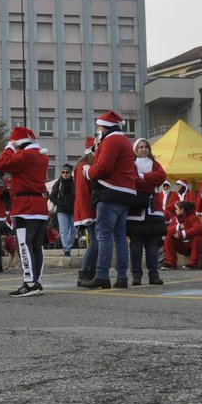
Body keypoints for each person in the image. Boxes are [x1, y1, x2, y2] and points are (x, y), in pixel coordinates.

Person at [81, 110, 137, 289]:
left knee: (104, 235)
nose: (98, 131)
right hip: (125, 193)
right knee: (120, 236)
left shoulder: (111, 140)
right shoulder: (125, 141)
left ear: (105, 127)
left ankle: (102, 275)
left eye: (99, 128)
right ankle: (122, 277)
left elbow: (103, 168)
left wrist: (88, 171)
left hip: (110, 191)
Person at [0, 126, 51, 297]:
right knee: (36, 246)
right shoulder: (41, 156)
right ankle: (37, 280)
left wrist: (10, 146)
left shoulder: (25, 155)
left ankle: (29, 282)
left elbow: (2, 164)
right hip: (39, 205)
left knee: (24, 245)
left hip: (25, 206)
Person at [126, 136, 167, 286]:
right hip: (136, 211)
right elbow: (133, 180)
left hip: (153, 211)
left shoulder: (155, 164)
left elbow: (162, 176)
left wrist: (143, 177)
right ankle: (136, 275)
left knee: (152, 245)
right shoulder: (131, 164)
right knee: (135, 245)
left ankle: (153, 274)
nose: (144, 149)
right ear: (135, 150)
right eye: (141, 147)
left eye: (146, 147)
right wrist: (150, 182)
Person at [163, 199, 202, 270]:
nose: (175, 210)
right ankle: (171, 263)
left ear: (182, 210)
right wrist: (178, 227)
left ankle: (194, 263)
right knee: (168, 238)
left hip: (198, 246)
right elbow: (168, 229)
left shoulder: (193, 217)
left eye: (177, 209)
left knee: (197, 238)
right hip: (184, 246)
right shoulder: (175, 219)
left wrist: (182, 234)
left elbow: (198, 230)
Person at [50, 163, 77, 256]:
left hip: (73, 210)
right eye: (63, 172)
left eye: (67, 172)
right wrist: (60, 203)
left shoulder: (74, 183)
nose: (65, 174)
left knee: (74, 230)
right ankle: (66, 249)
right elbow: (52, 196)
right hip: (62, 210)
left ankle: (68, 247)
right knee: (63, 230)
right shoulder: (58, 183)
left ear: (70, 173)